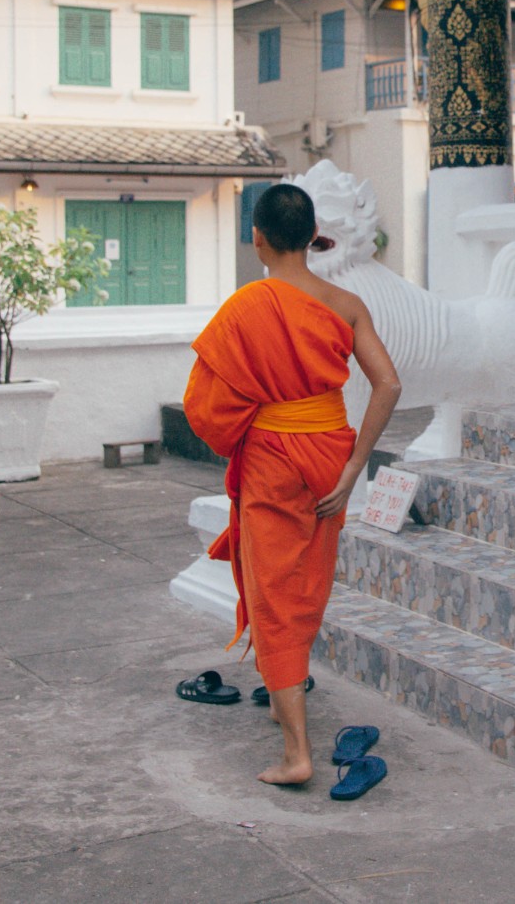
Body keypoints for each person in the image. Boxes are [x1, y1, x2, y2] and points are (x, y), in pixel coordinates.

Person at [180, 182, 401, 786]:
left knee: (275, 596)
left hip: (274, 459)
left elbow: (203, 406)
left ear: (257, 238)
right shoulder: (346, 302)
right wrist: (356, 466)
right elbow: (388, 385)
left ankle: (296, 753)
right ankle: (291, 688)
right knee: (304, 587)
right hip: (330, 455)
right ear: (312, 238)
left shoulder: (247, 306)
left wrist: (251, 420)